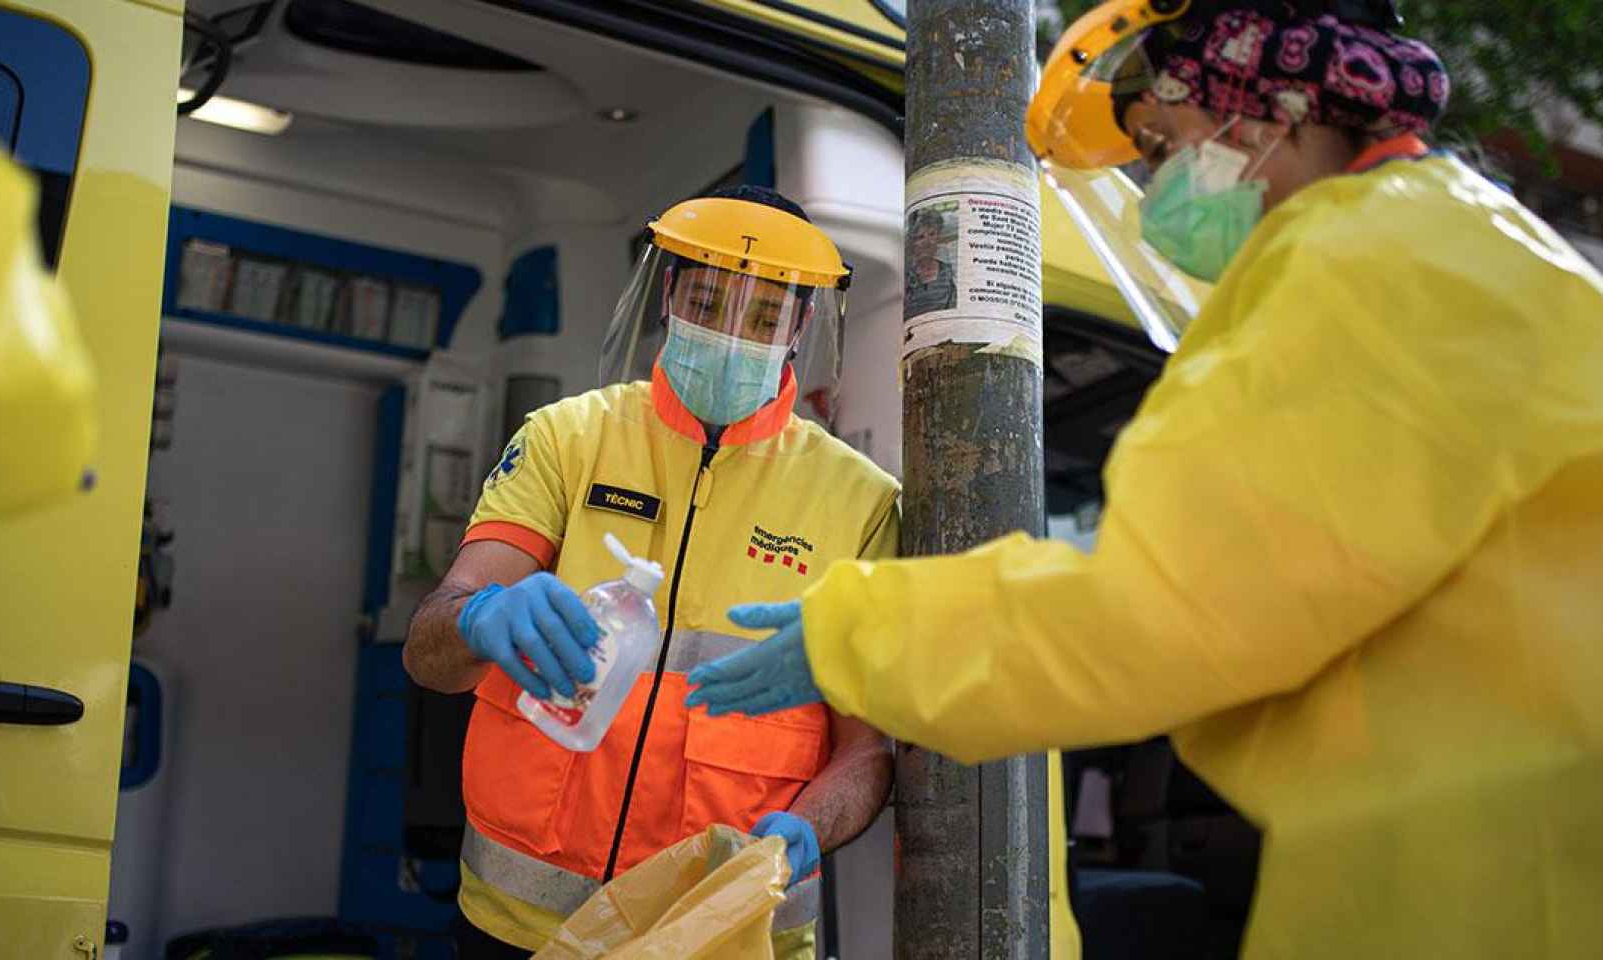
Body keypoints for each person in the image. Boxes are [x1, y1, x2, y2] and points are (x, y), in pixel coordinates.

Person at [687, 3, 1603, 958]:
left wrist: (856, 635)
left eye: (1164, 148)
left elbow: (1164, 609)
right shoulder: (1479, 251)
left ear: (1256, 119)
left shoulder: (1356, 268)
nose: (1157, 188)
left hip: (1491, 872)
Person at [402, 185, 900, 959]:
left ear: (802, 325)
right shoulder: (570, 438)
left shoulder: (860, 502)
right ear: (669, 295)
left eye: (766, 316)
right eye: (708, 301)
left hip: (722, 937)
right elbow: (429, 655)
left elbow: (867, 752)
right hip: (518, 929)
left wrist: (812, 827)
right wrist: (477, 616)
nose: (733, 335)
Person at [904, 207, 956, 315]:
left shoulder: (949, 272)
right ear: (912, 242)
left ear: (938, 237)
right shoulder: (905, 275)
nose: (927, 242)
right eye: (920, 237)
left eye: (932, 234)